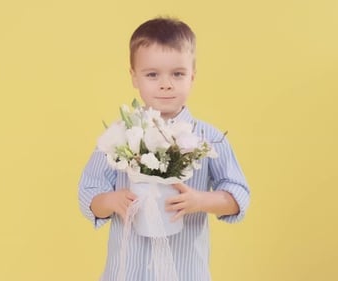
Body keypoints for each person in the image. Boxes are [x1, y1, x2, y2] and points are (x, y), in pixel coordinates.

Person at [78, 17, 250, 281]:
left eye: (178, 74)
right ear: (134, 77)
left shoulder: (208, 138)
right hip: (126, 273)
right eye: (152, 74)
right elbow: (89, 193)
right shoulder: (118, 136)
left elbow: (239, 196)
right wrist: (111, 201)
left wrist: (201, 201)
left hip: (185, 273)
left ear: (192, 76)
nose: (166, 84)